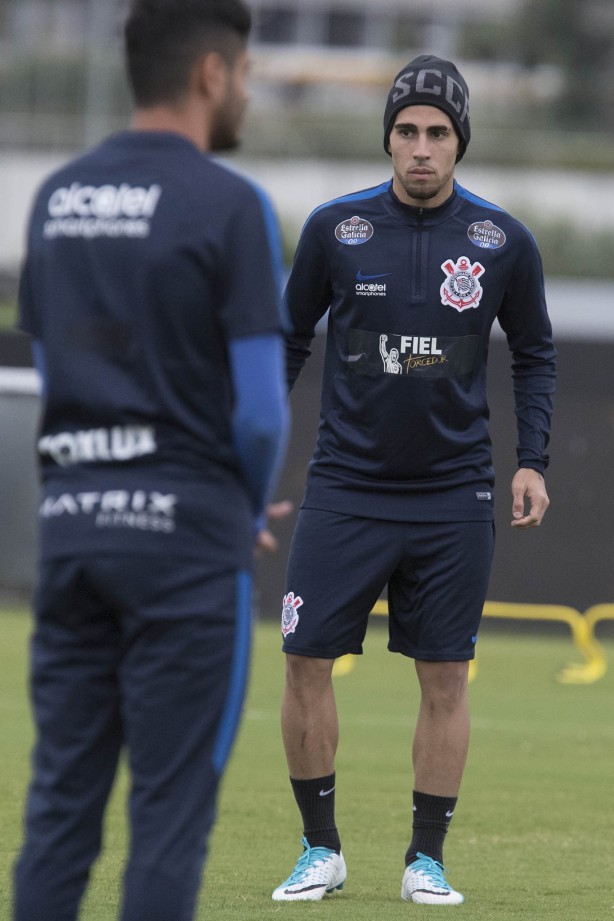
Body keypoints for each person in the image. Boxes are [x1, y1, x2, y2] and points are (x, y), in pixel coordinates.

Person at [13, 2, 290, 920]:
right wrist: (241, 507)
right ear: (212, 73)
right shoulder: (230, 203)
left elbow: (55, 371)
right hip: (185, 542)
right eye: (245, 72)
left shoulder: (56, 197)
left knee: (59, 811)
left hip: (75, 530)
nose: (246, 91)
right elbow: (259, 412)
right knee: (168, 820)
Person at [273, 54, 555, 905]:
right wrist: (246, 446)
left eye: (438, 132)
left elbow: (537, 355)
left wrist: (532, 459)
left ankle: (424, 857)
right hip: (345, 487)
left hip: (453, 495)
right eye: (407, 132)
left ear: (459, 142)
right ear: (388, 140)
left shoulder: (503, 241)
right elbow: (286, 340)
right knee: (304, 660)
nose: (421, 148)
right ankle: (320, 848)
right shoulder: (335, 229)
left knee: (444, 677)